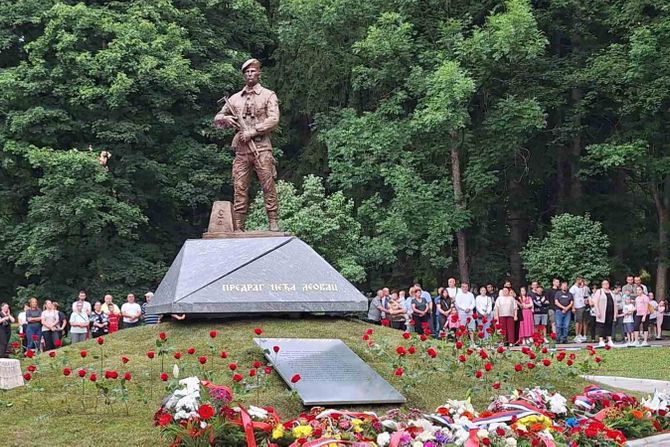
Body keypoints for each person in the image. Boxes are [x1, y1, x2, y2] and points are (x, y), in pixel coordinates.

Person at [213, 58, 281, 231]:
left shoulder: (268, 95)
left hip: (261, 147)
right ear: (244, 75)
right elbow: (217, 118)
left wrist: (253, 131)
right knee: (240, 187)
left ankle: (273, 221)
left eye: (253, 71)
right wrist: (225, 118)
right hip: (242, 150)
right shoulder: (235, 99)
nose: (250, 74)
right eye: (247, 72)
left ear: (259, 73)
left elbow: (274, 119)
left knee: (268, 184)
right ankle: (239, 226)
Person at [592, 280, 615, 347]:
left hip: (610, 312)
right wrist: (597, 311)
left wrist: (615, 313)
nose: (606, 285)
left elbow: (614, 303)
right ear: (602, 285)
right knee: (601, 325)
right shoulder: (599, 291)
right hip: (602, 311)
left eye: (607, 283)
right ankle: (601, 340)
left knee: (609, 325)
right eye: (604, 284)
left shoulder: (611, 292)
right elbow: (595, 302)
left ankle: (609, 340)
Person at [570, 277, 589, 343]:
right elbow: (571, 298)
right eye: (580, 280)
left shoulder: (581, 288)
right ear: (577, 280)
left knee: (581, 321)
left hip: (583, 305)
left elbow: (584, 296)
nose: (581, 281)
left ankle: (580, 334)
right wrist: (573, 307)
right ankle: (577, 335)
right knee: (578, 321)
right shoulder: (573, 288)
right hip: (577, 306)